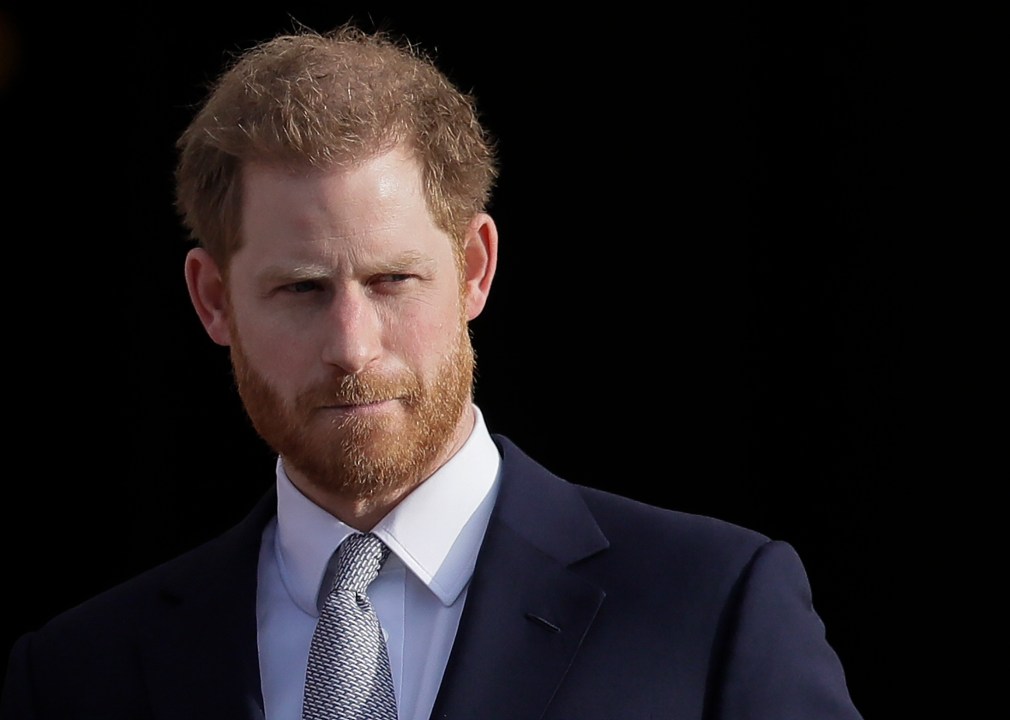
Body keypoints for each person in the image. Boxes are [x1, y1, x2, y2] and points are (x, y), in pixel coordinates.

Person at [1, 23, 864, 720]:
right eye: (301, 289)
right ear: (213, 300)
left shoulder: (708, 609)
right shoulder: (82, 674)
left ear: (476, 268)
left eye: (393, 280)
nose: (353, 343)